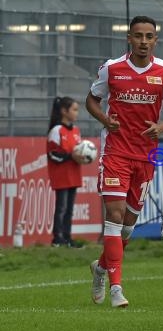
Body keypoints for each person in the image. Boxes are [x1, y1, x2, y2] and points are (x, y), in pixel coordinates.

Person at [86, 15, 163, 308]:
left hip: (146, 155)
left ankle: (101, 268)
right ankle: (117, 288)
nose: (143, 41)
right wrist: (105, 119)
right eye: (138, 36)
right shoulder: (111, 68)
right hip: (115, 152)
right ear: (129, 38)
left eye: (149, 36)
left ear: (156, 39)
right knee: (114, 218)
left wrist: (162, 127)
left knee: (127, 227)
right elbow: (91, 100)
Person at [47, 96, 88, 248]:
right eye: (74, 110)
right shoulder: (57, 130)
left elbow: (77, 152)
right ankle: (57, 239)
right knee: (61, 209)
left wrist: (83, 157)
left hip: (74, 175)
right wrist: (71, 156)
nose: (77, 113)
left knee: (70, 210)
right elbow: (52, 154)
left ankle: (67, 238)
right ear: (64, 111)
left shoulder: (76, 131)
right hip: (61, 176)